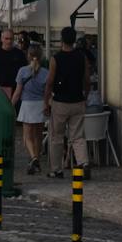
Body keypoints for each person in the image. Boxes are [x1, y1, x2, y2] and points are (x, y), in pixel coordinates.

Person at [45, 27, 89, 177]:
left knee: (57, 136)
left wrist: (46, 101)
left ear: (61, 40)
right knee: (78, 136)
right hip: (78, 100)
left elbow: (50, 82)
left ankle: (56, 169)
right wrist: (86, 95)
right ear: (74, 39)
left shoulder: (56, 59)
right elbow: (87, 80)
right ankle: (83, 162)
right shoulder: (82, 57)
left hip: (60, 102)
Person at [12, 42, 49, 174]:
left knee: (27, 136)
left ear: (28, 55)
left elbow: (17, 92)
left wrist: (11, 105)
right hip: (40, 104)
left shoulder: (22, 71)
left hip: (27, 105)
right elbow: (47, 93)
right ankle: (36, 159)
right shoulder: (46, 73)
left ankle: (33, 158)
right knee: (38, 135)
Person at [0, 27, 29, 101]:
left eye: (11, 39)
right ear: (1, 39)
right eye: (6, 39)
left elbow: (24, 72)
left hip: (16, 90)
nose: (9, 41)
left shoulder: (20, 54)